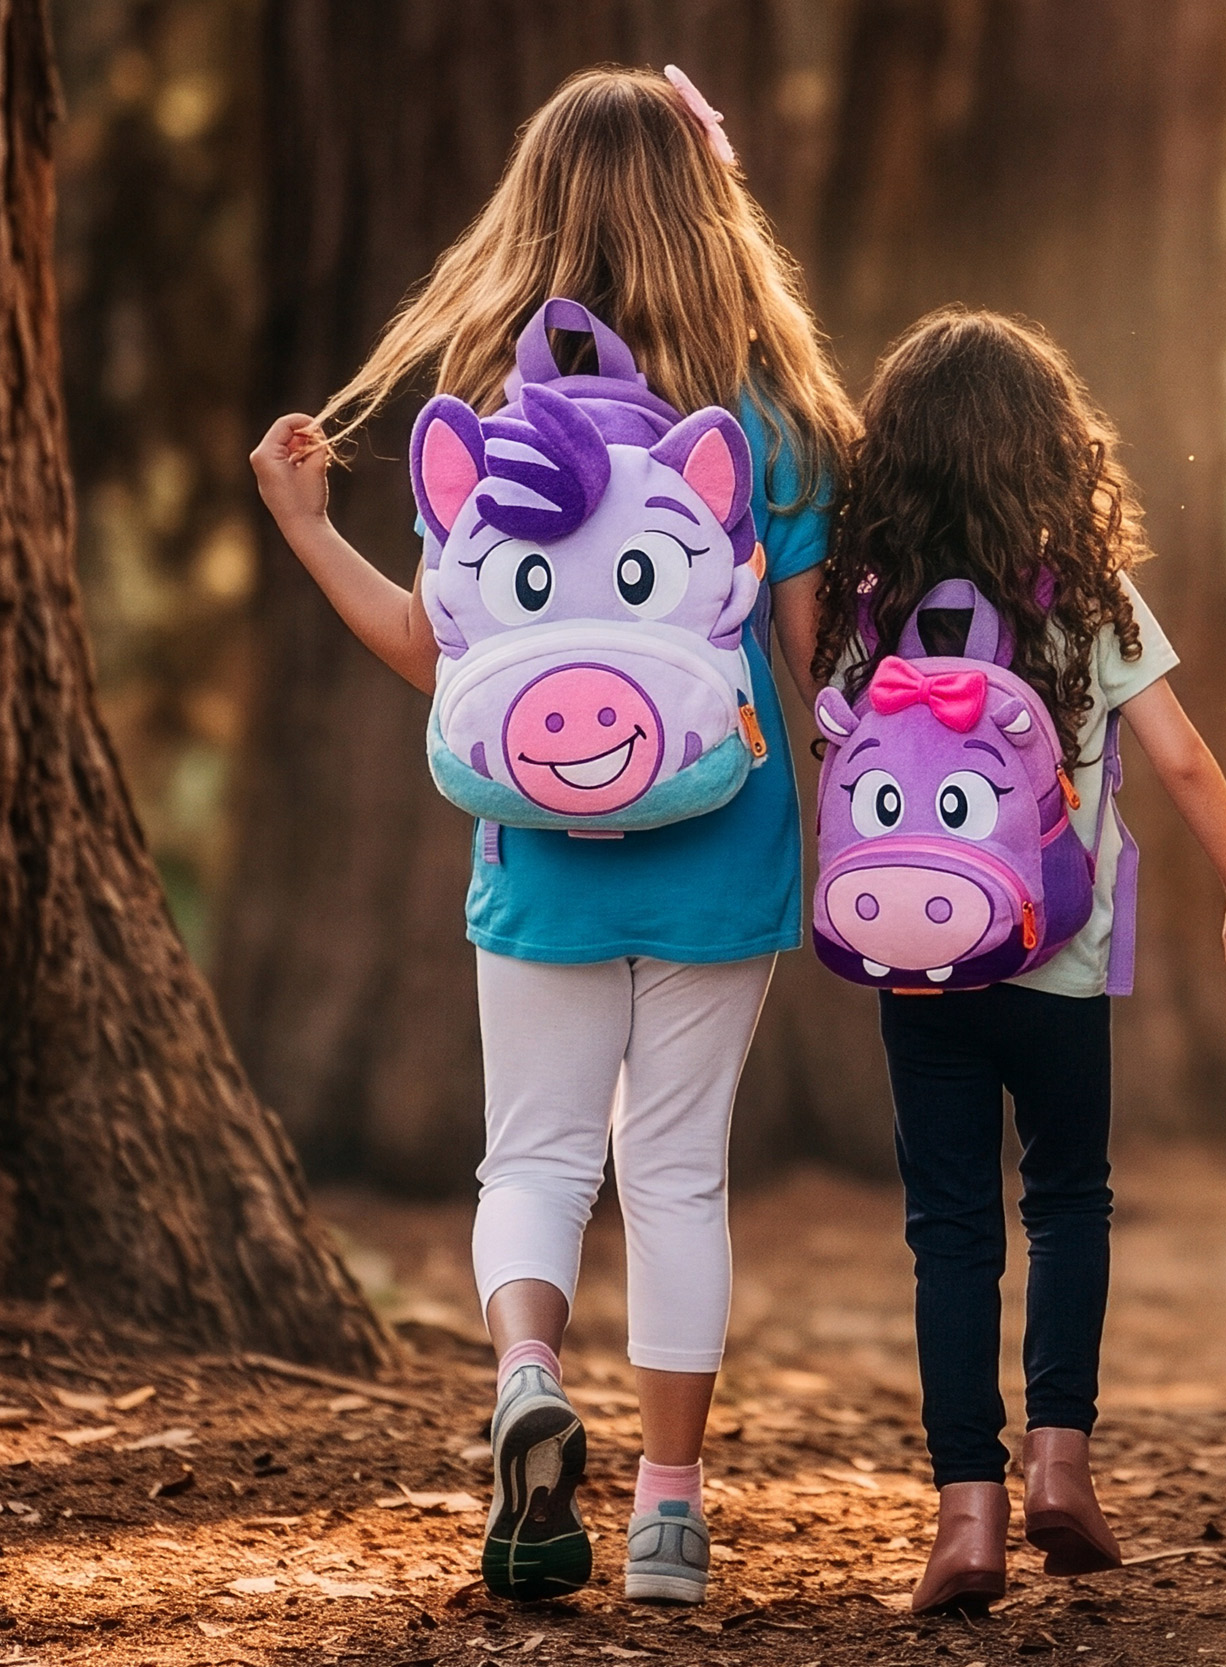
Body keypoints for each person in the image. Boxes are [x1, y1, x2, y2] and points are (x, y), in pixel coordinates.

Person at [247, 66, 855, 1608]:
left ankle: (528, 1370)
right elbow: (814, 665)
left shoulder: (501, 414)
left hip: (538, 845)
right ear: (712, 211)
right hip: (727, 834)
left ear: (537, 212)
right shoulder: (769, 420)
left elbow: (438, 653)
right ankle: (667, 1512)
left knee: (530, 1151)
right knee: (676, 1173)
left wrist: (312, 526)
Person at [809, 308, 1226, 1614]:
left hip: (917, 965)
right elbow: (1179, 756)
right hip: (1059, 960)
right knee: (1068, 1198)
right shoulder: (1088, 599)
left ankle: (967, 1510)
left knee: (948, 1226)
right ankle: (1062, 1459)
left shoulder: (867, 610)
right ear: (1052, 451)